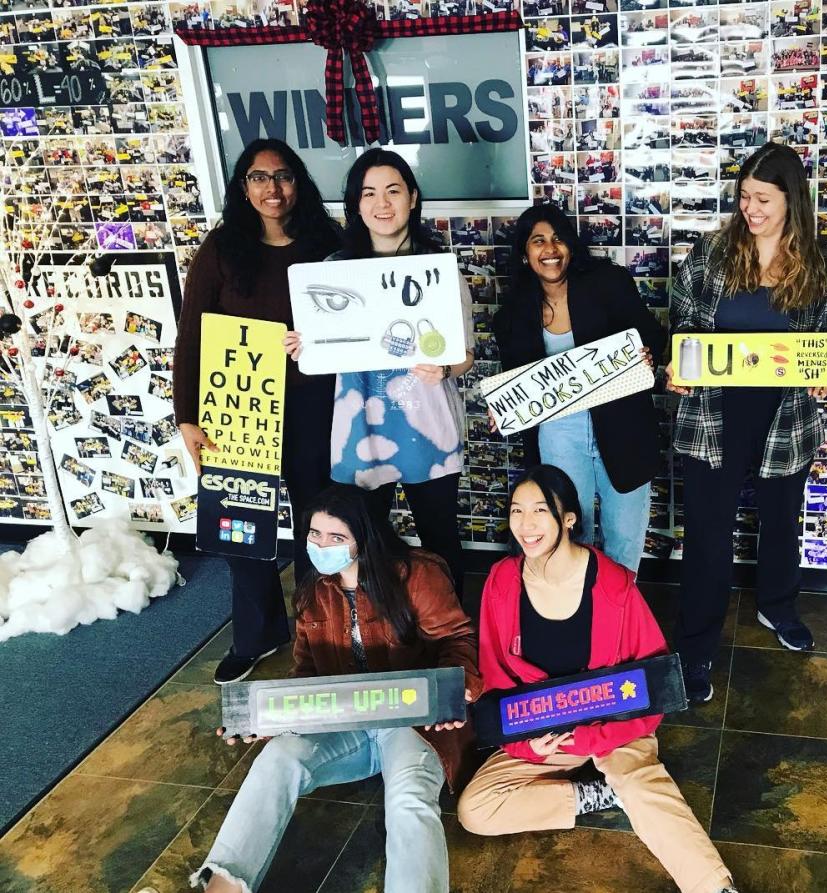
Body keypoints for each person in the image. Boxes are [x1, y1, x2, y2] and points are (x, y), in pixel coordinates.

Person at [456, 466, 739, 893]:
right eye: (516, 511)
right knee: (474, 810)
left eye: (539, 511)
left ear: (568, 519)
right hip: (543, 730)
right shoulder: (500, 582)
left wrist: (589, 740)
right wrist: (525, 742)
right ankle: (596, 795)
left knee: (644, 784)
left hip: (613, 727)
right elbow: (496, 682)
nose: (525, 524)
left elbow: (653, 684)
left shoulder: (614, 586)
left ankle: (715, 886)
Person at [191, 484, 481, 893]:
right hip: (345, 722)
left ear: (364, 538)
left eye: (336, 537)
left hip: (412, 721)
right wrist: (272, 718)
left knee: (409, 797)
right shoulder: (314, 589)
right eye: (314, 534)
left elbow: (457, 639)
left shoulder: (417, 574)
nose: (322, 545)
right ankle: (222, 886)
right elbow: (306, 669)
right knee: (278, 758)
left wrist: (456, 688)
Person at [665, 142, 827, 703]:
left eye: (763, 199)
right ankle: (695, 647)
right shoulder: (711, 254)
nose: (751, 209)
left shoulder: (822, 263)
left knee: (781, 523)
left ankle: (778, 608)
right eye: (745, 198)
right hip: (713, 415)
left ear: (791, 200)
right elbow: (680, 319)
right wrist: (677, 362)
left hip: (786, 416)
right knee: (706, 536)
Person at [173, 137, 342, 684]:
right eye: (259, 177)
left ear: (300, 183)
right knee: (242, 525)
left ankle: (327, 629)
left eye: (284, 175)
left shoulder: (328, 243)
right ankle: (256, 633)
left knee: (321, 520)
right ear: (243, 187)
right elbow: (192, 336)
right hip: (238, 407)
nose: (273, 189)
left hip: (316, 405)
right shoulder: (222, 249)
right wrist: (186, 416)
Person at [284, 148, 474, 597]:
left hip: (429, 425)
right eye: (369, 193)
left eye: (393, 190)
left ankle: (450, 637)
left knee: (440, 540)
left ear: (412, 197)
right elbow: (319, 350)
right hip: (359, 430)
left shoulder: (441, 269)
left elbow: (465, 354)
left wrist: (445, 366)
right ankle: (376, 632)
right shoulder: (332, 273)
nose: (382, 203)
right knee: (362, 541)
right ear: (355, 205)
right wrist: (301, 348)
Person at [494, 204, 666, 573]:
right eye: (538, 241)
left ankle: (620, 617)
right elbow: (516, 385)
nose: (550, 249)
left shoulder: (609, 281)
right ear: (525, 254)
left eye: (558, 239)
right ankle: (578, 616)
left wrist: (647, 354)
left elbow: (650, 334)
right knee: (571, 533)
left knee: (625, 536)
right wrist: (504, 410)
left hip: (623, 426)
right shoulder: (512, 313)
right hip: (559, 434)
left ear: (571, 245)